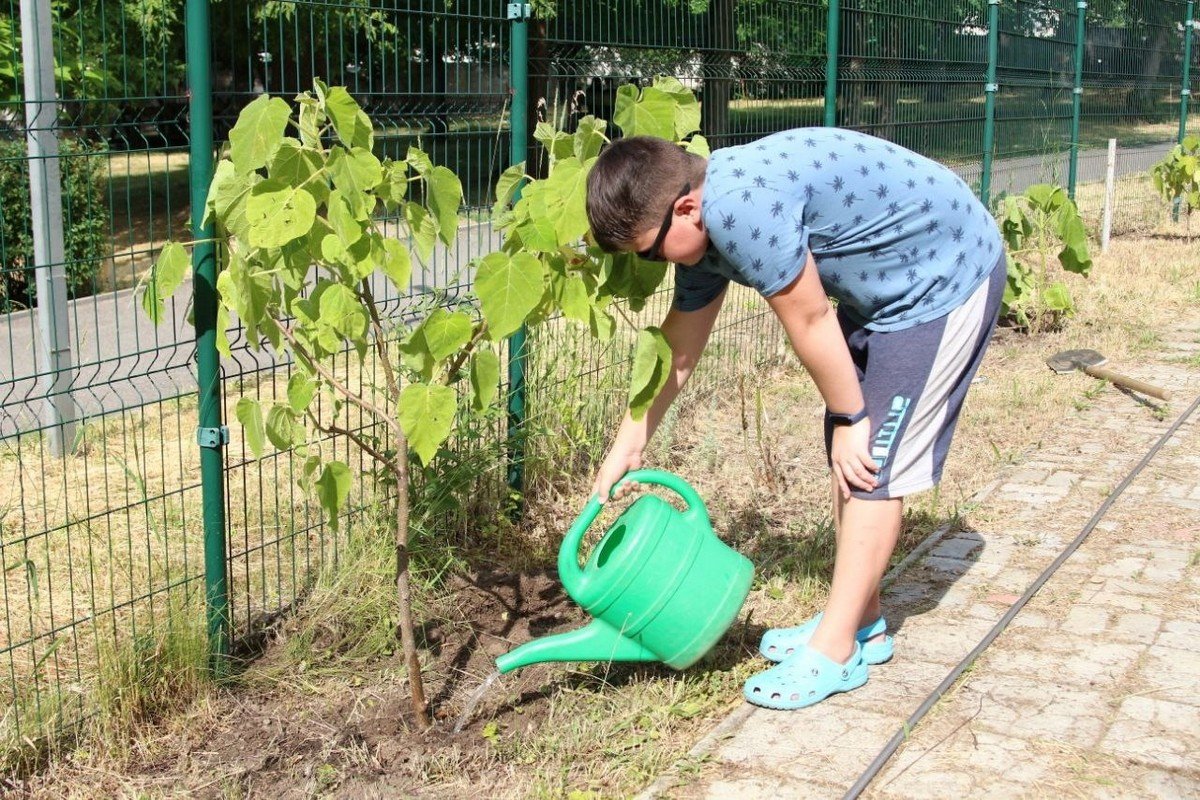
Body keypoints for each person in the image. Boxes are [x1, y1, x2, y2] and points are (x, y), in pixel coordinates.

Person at [584, 127, 1005, 709]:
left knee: (871, 458)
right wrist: (631, 440)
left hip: (943, 275)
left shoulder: (738, 208)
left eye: (650, 251)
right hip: (887, 291)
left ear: (685, 208)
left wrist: (854, 413)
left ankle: (835, 650)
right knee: (848, 441)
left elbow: (807, 319)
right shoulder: (703, 218)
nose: (653, 263)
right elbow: (680, 345)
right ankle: (862, 620)